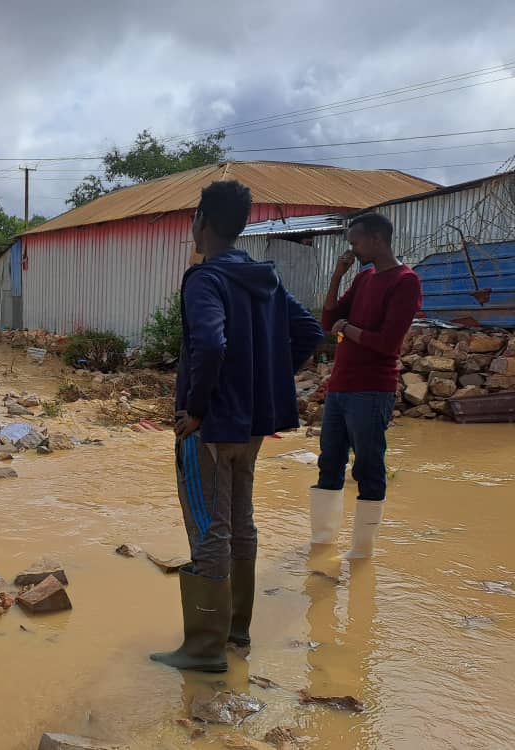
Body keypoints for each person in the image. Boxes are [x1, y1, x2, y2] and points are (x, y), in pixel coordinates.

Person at [151, 181, 323, 672]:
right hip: (250, 427)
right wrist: (261, 386)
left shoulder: (205, 279)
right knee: (240, 520)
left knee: (209, 526)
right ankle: (236, 632)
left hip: (208, 428)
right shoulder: (264, 279)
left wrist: (198, 410)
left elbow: (209, 344)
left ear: (202, 220)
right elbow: (309, 332)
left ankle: (203, 649)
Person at [310, 212, 422, 558]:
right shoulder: (362, 278)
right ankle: (322, 545)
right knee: (329, 463)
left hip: (373, 389)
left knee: (368, 466)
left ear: (376, 239)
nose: (352, 249)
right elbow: (329, 320)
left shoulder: (406, 281)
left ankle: (361, 553)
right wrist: (337, 276)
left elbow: (388, 343)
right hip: (341, 387)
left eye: (355, 243)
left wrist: (348, 329)